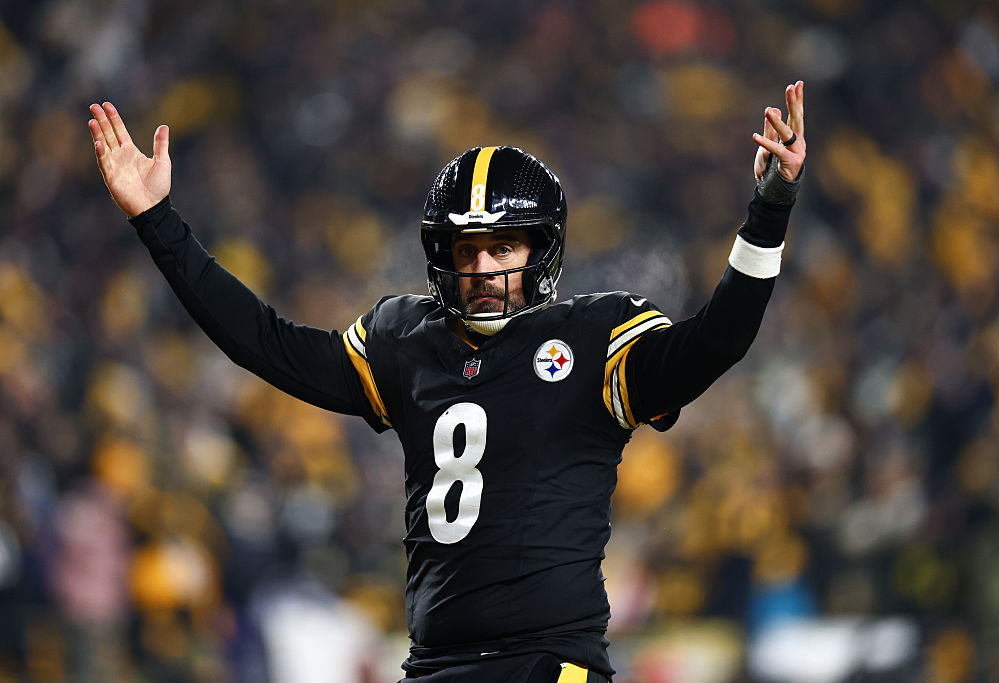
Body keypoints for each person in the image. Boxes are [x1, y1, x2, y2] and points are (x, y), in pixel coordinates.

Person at [88, 80, 806, 683]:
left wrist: (768, 212)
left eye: (503, 245)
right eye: (468, 248)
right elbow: (266, 343)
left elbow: (716, 342)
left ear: (541, 250)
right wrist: (157, 221)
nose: (485, 267)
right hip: (434, 665)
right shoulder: (407, 337)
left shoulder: (595, 336)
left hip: (548, 664)